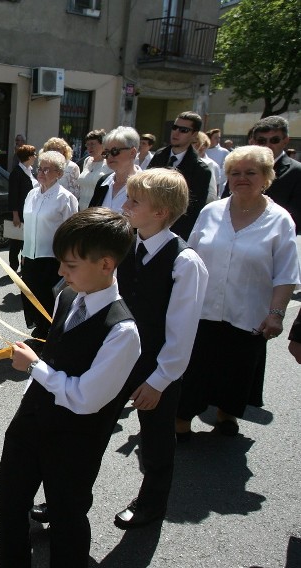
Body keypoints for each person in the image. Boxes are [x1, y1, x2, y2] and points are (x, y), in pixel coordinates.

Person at [0, 208, 141, 568]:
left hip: (75, 439)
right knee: (10, 504)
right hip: (30, 423)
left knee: (67, 515)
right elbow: (59, 352)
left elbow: (86, 398)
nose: (61, 272)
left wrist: (35, 366)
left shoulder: (122, 332)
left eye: (71, 265)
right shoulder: (67, 297)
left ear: (106, 264)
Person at [176, 146, 300, 440]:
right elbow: (189, 258)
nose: (241, 178)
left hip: (248, 313)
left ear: (266, 177)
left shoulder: (280, 220)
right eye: (234, 173)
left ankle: (226, 414)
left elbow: (285, 275)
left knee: (237, 369)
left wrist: (276, 314)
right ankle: (180, 422)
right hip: (202, 310)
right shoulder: (211, 212)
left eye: (250, 172)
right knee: (194, 369)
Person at [112, 169, 208, 529]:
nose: (125, 205)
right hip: (117, 357)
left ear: (161, 212)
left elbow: (181, 333)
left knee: (155, 441)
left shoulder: (185, 262)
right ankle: (69, 497)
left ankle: (151, 504)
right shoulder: (126, 245)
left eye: (135, 201)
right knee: (87, 427)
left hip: (155, 367)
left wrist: (160, 380)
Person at [22, 150, 78, 339]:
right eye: (40, 168)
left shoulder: (65, 198)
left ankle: (49, 334)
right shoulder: (32, 194)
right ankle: (39, 328)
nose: (41, 173)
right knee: (31, 295)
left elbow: (70, 232)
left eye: (47, 170)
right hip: (30, 255)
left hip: (51, 258)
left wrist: (66, 260)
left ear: (59, 174)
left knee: (47, 298)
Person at [147, 111, 212, 240]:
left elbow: (192, 212)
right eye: (174, 127)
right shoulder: (159, 156)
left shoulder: (201, 170)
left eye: (183, 130)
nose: (176, 133)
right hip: (148, 227)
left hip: (175, 234)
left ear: (194, 135)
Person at [251, 116, 301, 234]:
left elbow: (296, 217)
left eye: (274, 140)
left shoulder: (297, 172)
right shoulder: (242, 167)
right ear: (253, 142)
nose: (268, 145)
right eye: (262, 141)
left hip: (275, 240)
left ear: (285, 141)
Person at [88, 126, 142, 212]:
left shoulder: (146, 186)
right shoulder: (103, 182)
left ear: (132, 153)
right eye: (106, 152)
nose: (109, 156)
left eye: (114, 151)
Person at [7, 144, 37, 272]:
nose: (36, 157)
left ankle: (24, 267)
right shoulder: (17, 172)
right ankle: (13, 268)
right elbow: (13, 195)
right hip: (19, 213)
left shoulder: (30, 171)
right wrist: (15, 215)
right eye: (34, 154)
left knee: (27, 242)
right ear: (29, 156)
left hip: (29, 213)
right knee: (15, 243)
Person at [76, 129, 111, 210]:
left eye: (92, 144)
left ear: (103, 144)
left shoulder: (109, 163)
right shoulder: (87, 160)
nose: (89, 148)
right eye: (87, 144)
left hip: (97, 209)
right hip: (81, 209)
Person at [194, 131, 220, 202]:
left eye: (204, 145)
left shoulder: (211, 164)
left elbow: (214, 192)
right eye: (196, 143)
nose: (201, 147)